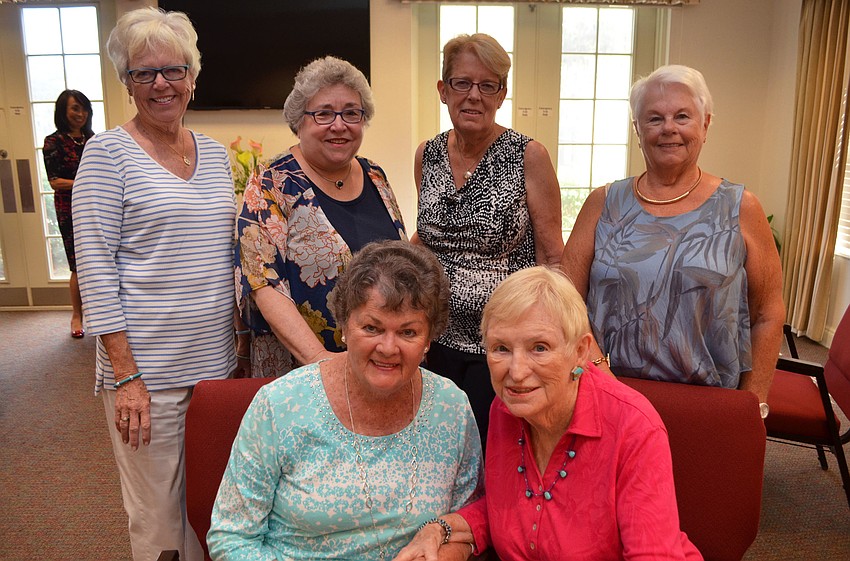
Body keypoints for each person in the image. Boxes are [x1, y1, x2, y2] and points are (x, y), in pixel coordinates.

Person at [72, 8, 236, 561]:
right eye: (144, 73)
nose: (161, 83)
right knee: (159, 521)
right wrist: (127, 375)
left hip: (215, 368)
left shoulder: (214, 155)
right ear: (126, 83)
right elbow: (94, 267)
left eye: (173, 69)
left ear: (193, 75)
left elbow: (224, 255)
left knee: (212, 506)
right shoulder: (106, 155)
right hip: (147, 375)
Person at [395, 266, 702, 561]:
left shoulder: (633, 426)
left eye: (539, 348)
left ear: (580, 352)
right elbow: (508, 510)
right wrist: (440, 529)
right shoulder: (507, 408)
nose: (516, 372)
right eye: (501, 348)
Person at [208, 240, 482, 561]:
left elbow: (467, 524)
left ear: (428, 338)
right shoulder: (280, 406)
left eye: (408, 332)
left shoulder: (451, 408)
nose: (388, 348)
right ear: (344, 326)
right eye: (371, 327)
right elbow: (231, 537)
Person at [561, 64, 784, 412]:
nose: (668, 129)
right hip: (610, 393)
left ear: (705, 124)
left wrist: (754, 403)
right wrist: (599, 372)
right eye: (654, 119)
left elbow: (768, 312)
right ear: (638, 129)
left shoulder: (740, 207)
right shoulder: (603, 203)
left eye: (682, 116)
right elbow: (566, 299)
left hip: (707, 402)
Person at [412, 33, 564, 445]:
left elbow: (553, 257)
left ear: (502, 93)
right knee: (436, 448)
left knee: (490, 450)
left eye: (488, 85)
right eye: (462, 83)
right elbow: (426, 238)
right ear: (443, 91)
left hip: (500, 345)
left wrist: (549, 340)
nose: (474, 95)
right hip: (434, 338)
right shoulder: (427, 155)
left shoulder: (528, 154)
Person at [236, 56, 406, 378]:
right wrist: (320, 359)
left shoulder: (376, 177)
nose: (339, 125)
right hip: (304, 371)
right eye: (324, 113)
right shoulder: (272, 183)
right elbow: (262, 283)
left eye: (351, 113)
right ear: (300, 120)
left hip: (380, 364)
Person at [42, 89, 94, 338]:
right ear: (63, 111)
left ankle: (99, 314)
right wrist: (85, 183)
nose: (80, 113)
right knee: (77, 264)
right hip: (68, 209)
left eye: (83, 108)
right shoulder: (53, 142)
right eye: (75, 108)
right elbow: (55, 181)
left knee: (99, 261)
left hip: (96, 205)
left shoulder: (93, 139)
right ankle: (77, 315)